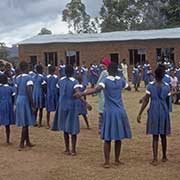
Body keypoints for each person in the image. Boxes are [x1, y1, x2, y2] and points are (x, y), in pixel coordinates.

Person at [75, 63, 132, 168]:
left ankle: (106, 162)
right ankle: (117, 160)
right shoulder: (120, 81)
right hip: (120, 111)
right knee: (118, 137)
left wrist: (82, 93)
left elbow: (96, 89)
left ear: (108, 71)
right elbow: (129, 88)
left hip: (110, 111)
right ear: (117, 71)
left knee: (107, 137)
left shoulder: (105, 81)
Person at [137, 65, 171, 166]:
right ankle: (164, 156)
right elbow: (168, 101)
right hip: (164, 110)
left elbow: (146, 100)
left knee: (155, 136)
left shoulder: (150, 86)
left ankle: (155, 158)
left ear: (154, 75)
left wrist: (140, 113)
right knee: (163, 135)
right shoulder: (167, 86)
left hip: (154, 110)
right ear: (163, 75)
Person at [52, 65, 82, 156]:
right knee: (72, 127)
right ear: (73, 72)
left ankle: (67, 149)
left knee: (65, 127)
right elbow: (77, 93)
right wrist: (85, 102)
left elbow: (57, 91)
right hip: (71, 106)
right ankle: (73, 150)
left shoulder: (60, 80)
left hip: (62, 105)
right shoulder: (75, 81)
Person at [16, 61, 36, 150]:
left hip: (19, 99)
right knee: (25, 123)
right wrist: (32, 104)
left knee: (26, 121)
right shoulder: (29, 78)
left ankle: (27, 141)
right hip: (25, 100)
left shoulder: (18, 78)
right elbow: (29, 91)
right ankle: (21, 143)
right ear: (27, 68)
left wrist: (15, 103)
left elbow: (16, 90)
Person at [96, 58, 111, 134]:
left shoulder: (104, 73)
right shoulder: (111, 73)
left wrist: (95, 91)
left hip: (103, 93)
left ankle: (101, 128)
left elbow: (99, 82)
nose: (102, 66)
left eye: (104, 64)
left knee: (102, 111)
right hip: (109, 94)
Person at [0, 74, 15, 144]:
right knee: (7, 124)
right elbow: (13, 97)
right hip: (8, 106)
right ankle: (7, 140)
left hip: (1, 106)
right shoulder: (10, 88)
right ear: (7, 80)